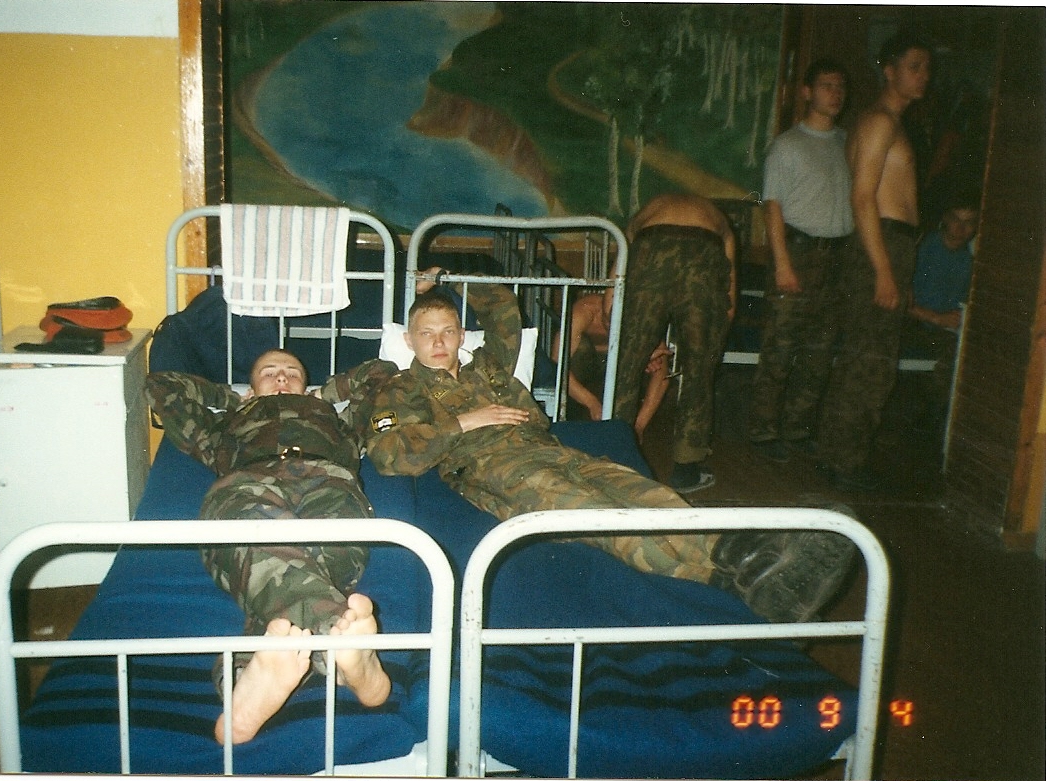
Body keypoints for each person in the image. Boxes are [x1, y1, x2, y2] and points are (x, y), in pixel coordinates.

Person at [364, 271, 857, 624]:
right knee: (598, 516)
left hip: (549, 449)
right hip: (489, 466)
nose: (439, 342)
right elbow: (387, 452)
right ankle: (740, 580)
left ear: (460, 335)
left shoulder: (486, 365)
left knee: (641, 492)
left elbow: (505, 311)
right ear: (409, 340)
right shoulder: (401, 389)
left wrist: (451, 280)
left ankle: (745, 553)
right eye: (426, 334)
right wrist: (464, 422)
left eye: (448, 331)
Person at [145, 349, 398, 745]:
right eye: (269, 372)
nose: (282, 378)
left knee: (299, 563)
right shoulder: (223, 425)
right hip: (248, 484)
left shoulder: (338, 420)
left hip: (330, 483)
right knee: (261, 540)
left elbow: (382, 373)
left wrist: (324, 395)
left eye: (292, 372)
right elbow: (160, 384)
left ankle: (247, 679)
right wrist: (231, 400)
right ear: (250, 388)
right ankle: (342, 652)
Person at [815, 30, 931, 492]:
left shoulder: (889, 122)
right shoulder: (881, 122)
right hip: (880, 244)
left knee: (868, 359)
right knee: (870, 363)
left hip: (892, 246)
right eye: (914, 66)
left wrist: (898, 269)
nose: (923, 76)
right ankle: (845, 463)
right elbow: (863, 197)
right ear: (889, 70)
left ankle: (839, 457)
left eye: (926, 68)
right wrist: (884, 270)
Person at [747, 59, 854, 464]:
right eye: (827, 85)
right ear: (808, 92)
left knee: (820, 352)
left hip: (838, 256)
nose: (835, 93)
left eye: (840, 86)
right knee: (780, 347)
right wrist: (783, 264)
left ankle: (797, 428)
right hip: (798, 253)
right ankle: (763, 430)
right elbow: (771, 206)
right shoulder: (788, 145)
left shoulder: (848, 142)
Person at [610, 193, 737, 493]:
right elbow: (730, 286)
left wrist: (614, 308)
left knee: (626, 364)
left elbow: (620, 270)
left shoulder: (649, 210)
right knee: (699, 370)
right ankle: (686, 469)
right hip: (704, 250)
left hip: (651, 246)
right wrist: (719, 326)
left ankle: (615, 459)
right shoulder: (715, 215)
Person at [552, 291, 672, 441]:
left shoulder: (641, 318)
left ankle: (633, 427)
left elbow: (662, 373)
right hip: (586, 369)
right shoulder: (584, 311)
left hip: (621, 366)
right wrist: (591, 403)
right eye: (609, 320)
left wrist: (639, 426)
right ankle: (573, 415)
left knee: (658, 363)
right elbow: (557, 364)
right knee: (580, 349)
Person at [905, 196, 979, 426]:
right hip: (913, 325)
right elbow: (900, 302)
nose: (960, 228)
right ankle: (930, 421)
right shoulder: (921, 247)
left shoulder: (970, 260)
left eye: (969, 222)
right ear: (945, 218)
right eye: (956, 219)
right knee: (955, 357)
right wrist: (937, 318)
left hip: (946, 332)